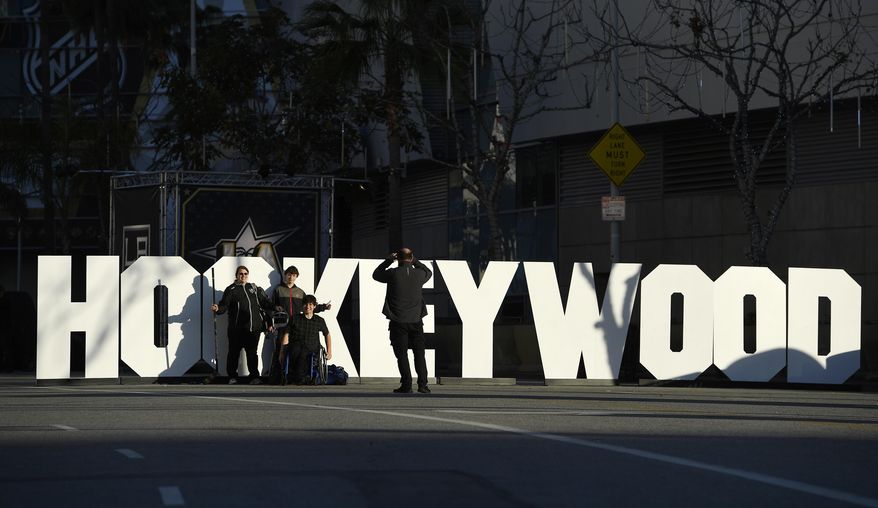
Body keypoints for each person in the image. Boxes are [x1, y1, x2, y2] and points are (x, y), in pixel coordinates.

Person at [372, 247, 432, 394]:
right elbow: (428, 272)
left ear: (397, 258)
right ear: (411, 258)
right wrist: (416, 261)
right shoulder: (419, 274)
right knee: (419, 353)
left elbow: (376, 275)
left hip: (398, 321)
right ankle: (423, 385)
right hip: (416, 321)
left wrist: (388, 261)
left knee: (402, 354)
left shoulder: (393, 274)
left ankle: (406, 385)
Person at [210, 265, 274, 384]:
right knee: (233, 353)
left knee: (252, 354)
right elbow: (224, 305)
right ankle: (232, 377)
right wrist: (218, 308)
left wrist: (275, 307)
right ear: (236, 275)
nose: (243, 276)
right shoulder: (231, 289)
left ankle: (254, 377)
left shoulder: (253, 288)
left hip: (253, 329)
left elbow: (264, 303)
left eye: (245, 274)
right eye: (240, 274)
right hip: (236, 329)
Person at [268, 266, 331, 383]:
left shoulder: (300, 292)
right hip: (283, 326)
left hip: (298, 326)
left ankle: (296, 376)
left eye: (293, 275)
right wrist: (269, 323)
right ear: (285, 275)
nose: (291, 277)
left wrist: (323, 307)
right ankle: (276, 378)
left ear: (296, 277)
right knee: (280, 352)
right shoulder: (278, 290)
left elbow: (309, 307)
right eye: (288, 275)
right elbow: (271, 308)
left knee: (298, 352)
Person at [278, 294, 332, 385]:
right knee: (297, 349)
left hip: (312, 347)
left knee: (303, 351)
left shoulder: (319, 320)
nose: (308, 307)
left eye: (310, 304)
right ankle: (298, 376)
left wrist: (329, 351)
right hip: (296, 346)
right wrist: (281, 352)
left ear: (314, 306)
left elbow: (327, 334)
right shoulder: (295, 319)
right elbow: (286, 335)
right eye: (306, 304)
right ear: (302, 306)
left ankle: (299, 377)